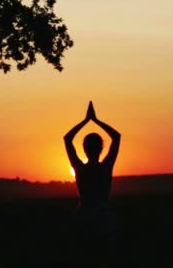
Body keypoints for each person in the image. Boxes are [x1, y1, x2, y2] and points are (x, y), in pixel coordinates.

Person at [64, 101, 121, 244]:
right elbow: (116, 136)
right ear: (101, 147)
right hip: (103, 218)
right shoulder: (106, 167)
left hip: (84, 217)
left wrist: (86, 121)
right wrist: (96, 120)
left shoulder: (79, 168)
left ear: (84, 148)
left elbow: (67, 138)